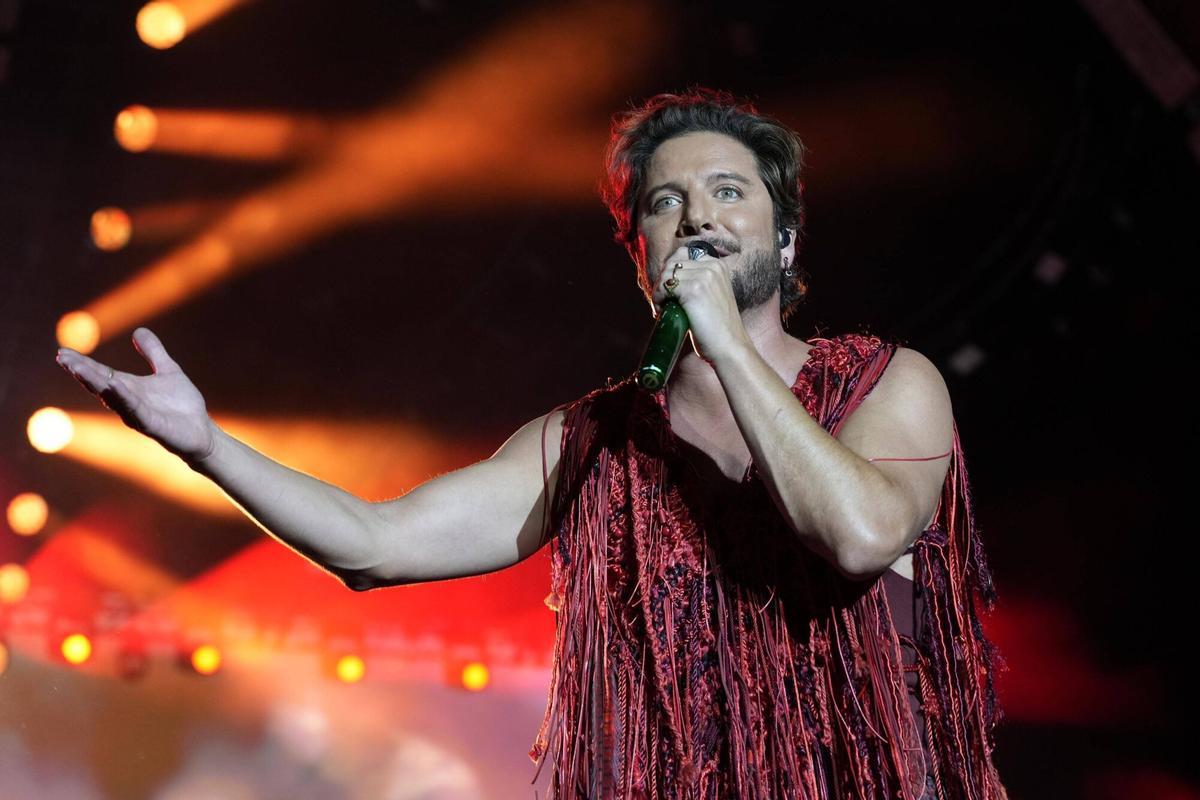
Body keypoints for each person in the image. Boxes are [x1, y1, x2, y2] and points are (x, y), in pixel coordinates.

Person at [55, 87, 1009, 799]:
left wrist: (722, 340)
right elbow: (372, 546)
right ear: (639, 249)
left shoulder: (886, 383)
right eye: (667, 202)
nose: (700, 216)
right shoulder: (589, 443)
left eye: (729, 191)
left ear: (787, 238)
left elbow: (856, 533)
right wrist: (206, 445)